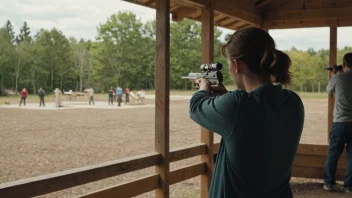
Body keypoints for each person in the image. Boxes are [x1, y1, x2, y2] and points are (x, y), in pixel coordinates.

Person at [189, 27, 304, 198]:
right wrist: (227, 97)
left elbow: (196, 107)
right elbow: (256, 117)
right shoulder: (293, 102)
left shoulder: (238, 105)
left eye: (228, 62)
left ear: (236, 65)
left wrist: (203, 88)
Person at [323, 53, 352, 193]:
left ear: (344, 64)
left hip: (340, 122)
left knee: (333, 153)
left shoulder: (338, 78)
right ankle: (349, 186)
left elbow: (329, 90)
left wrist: (335, 74)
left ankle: (328, 183)